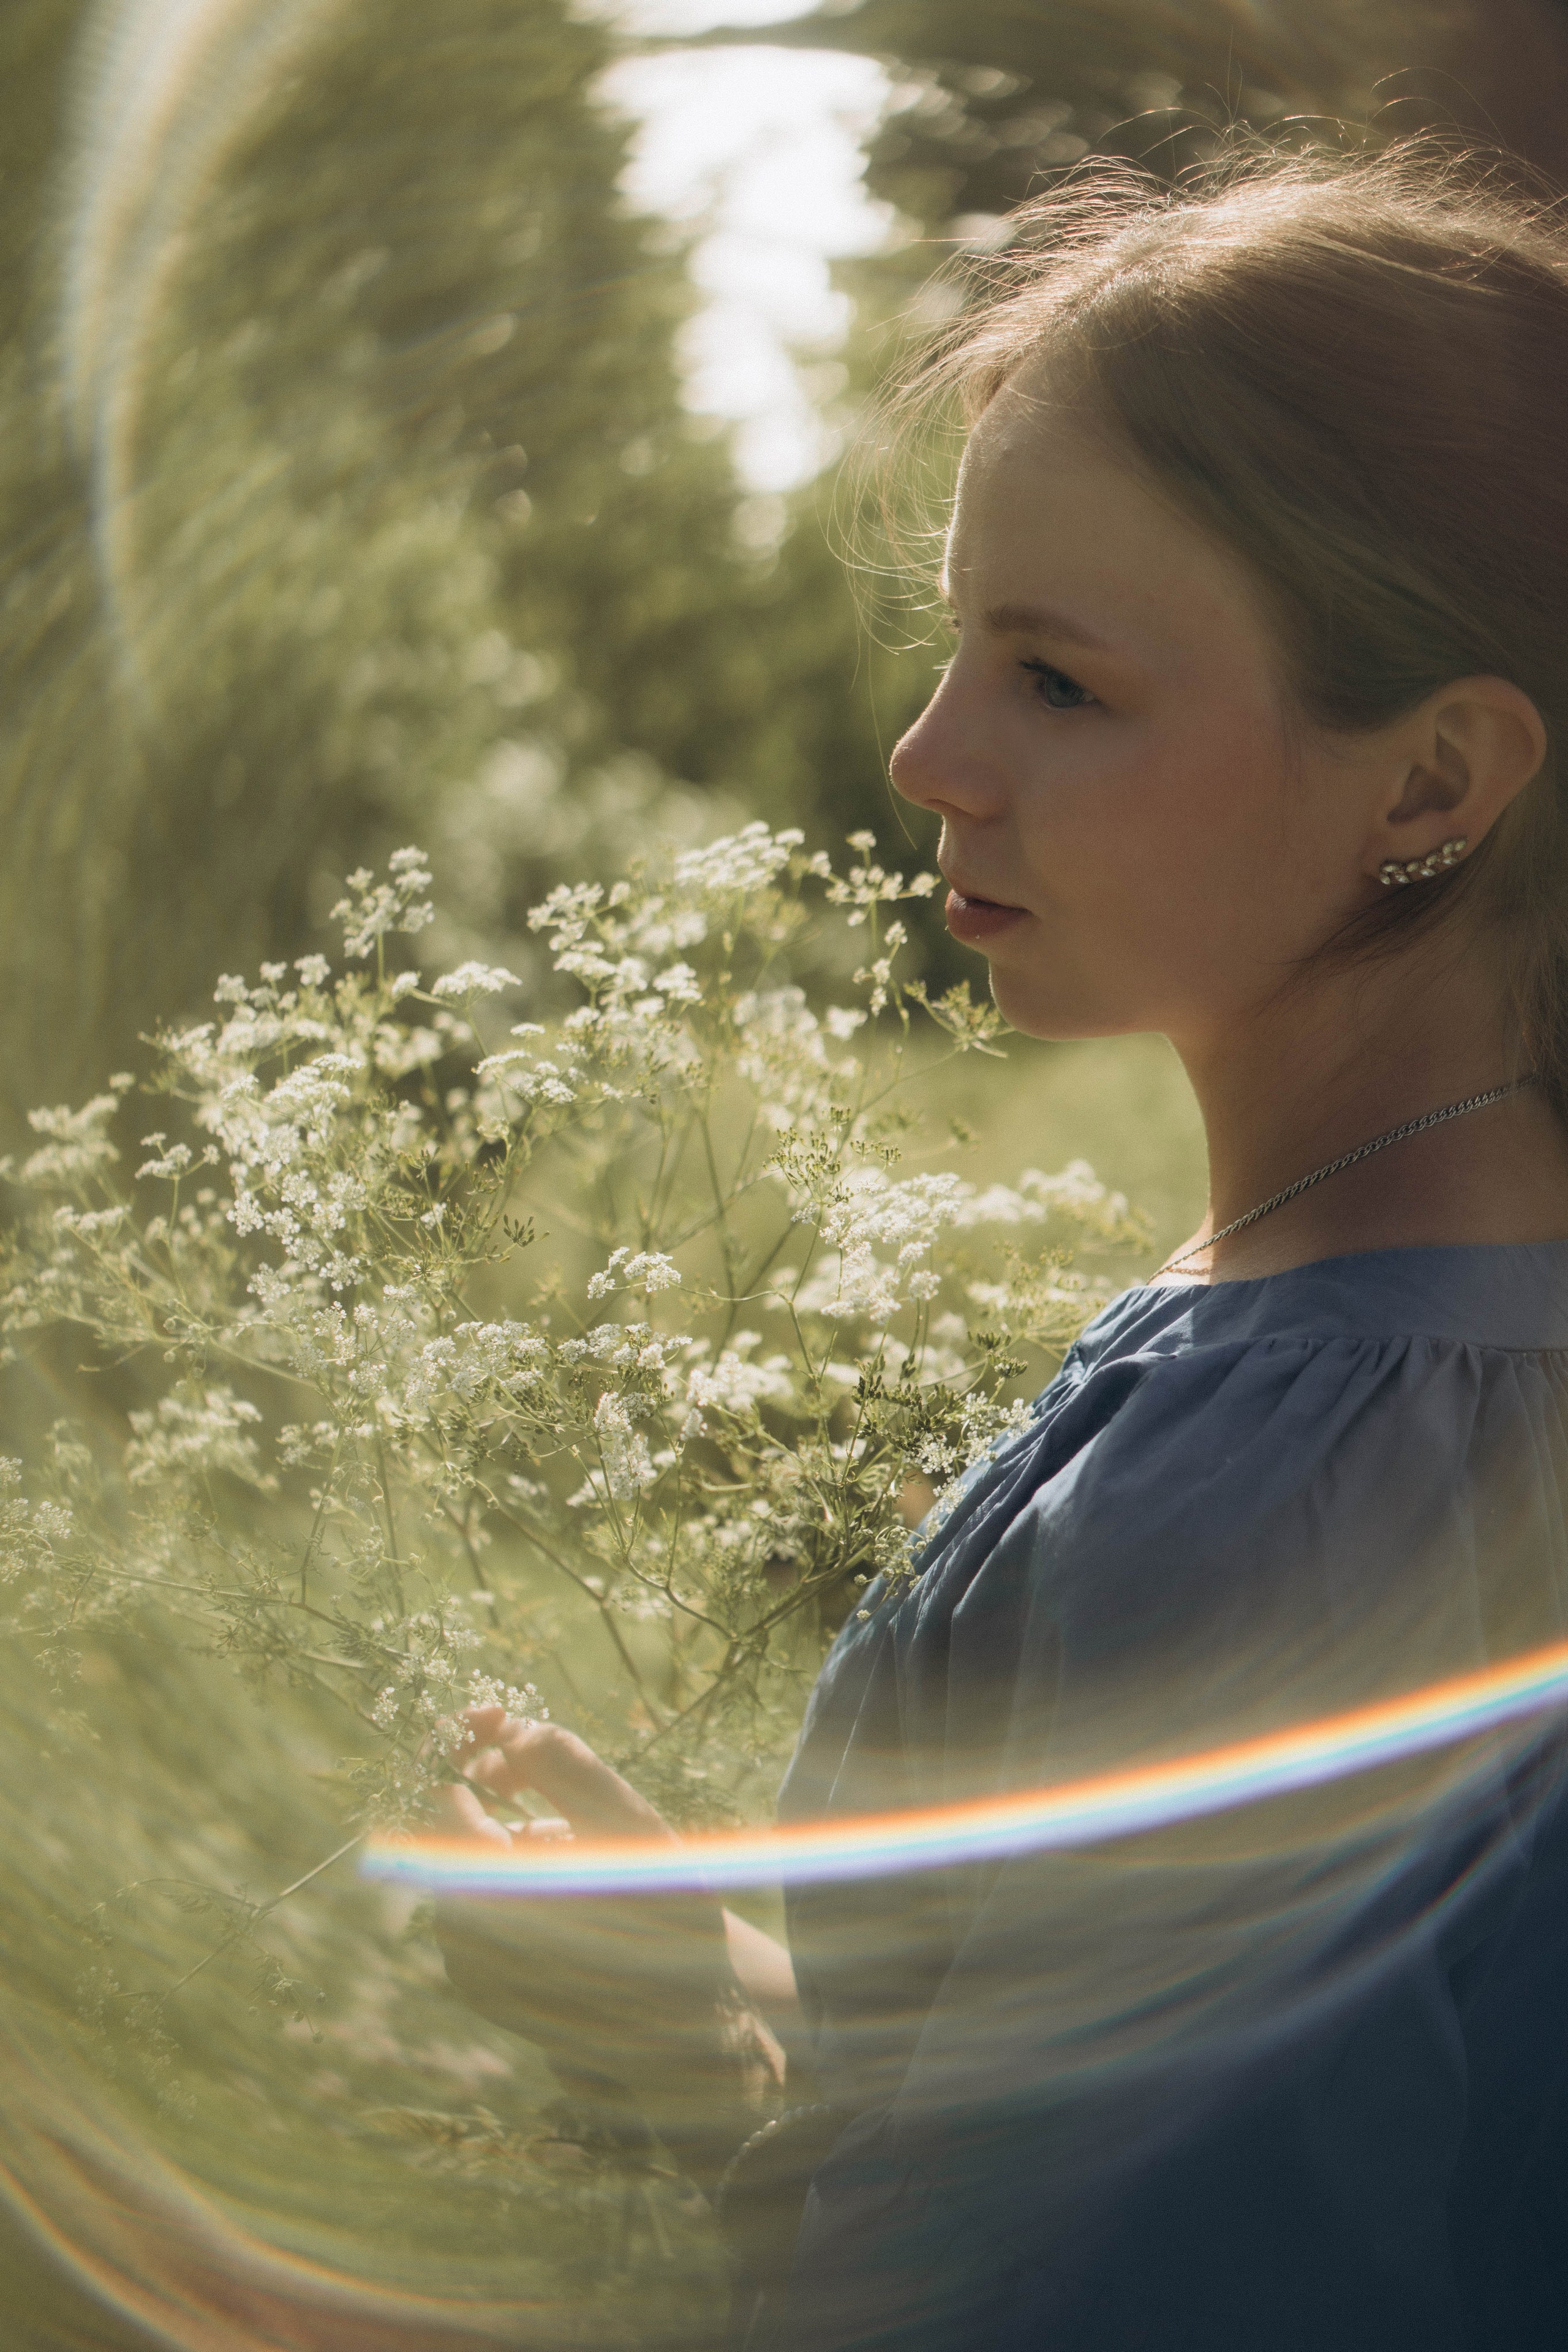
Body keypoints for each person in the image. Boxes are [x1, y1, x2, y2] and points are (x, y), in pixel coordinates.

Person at [435, 138, 1568, 2348]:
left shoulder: (1274, 1486)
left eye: (1058, 680)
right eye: (957, 648)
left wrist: (701, 2088)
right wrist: (745, 1985)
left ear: (1434, 783)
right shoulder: (1379, 1339)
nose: (928, 751)